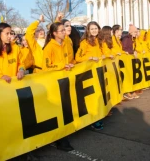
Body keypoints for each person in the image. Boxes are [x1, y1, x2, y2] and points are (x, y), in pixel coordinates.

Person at [42, 22, 74, 152]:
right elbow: (46, 66)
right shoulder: (49, 47)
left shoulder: (66, 43)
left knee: (66, 108)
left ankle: (63, 135)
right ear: (54, 33)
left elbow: (70, 59)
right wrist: (61, 66)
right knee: (57, 110)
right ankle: (60, 139)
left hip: (65, 80)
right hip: (54, 82)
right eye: (61, 30)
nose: (64, 32)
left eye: (64, 30)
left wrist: (71, 64)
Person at [75, 21, 105, 130]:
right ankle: (94, 120)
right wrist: (90, 58)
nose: (94, 31)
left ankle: (98, 117)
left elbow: (102, 54)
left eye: (96, 28)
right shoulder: (84, 42)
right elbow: (77, 58)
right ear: (88, 30)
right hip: (88, 74)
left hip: (99, 72)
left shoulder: (100, 41)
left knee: (99, 96)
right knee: (92, 97)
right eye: (92, 29)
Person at [121, 24, 141, 98]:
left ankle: (131, 91)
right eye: (135, 32)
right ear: (131, 32)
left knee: (131, 76)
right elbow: (124, 48)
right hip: (126, 60)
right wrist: (133, 52)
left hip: (130, 59)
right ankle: (127, 92)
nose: (136, 33)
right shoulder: (126, 38)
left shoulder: (132, 39)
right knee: (127, 76)